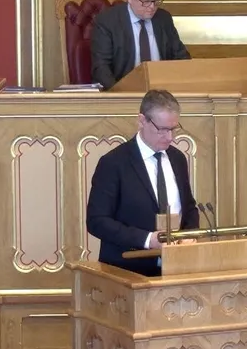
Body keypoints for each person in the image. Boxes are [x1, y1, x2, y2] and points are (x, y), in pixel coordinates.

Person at [86, 90, 200, 276]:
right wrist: (147, 240)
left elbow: (189, 208)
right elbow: (97, 221)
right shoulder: (113, 163)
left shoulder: (177, 159)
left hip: (176, 269)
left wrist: (189, 235)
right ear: (141, 121)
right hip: (127, 271)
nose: (169, 137)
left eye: (173, 129)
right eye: (162, 129)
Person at [90, 0, 191, 89]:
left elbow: (181, 57)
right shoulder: (107, 22)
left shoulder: (163, 19)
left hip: (162, 91)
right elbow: (101, 67)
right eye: (146, 0)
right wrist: (118, 94)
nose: (152, 6)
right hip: (124, 91)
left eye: (156, 0)